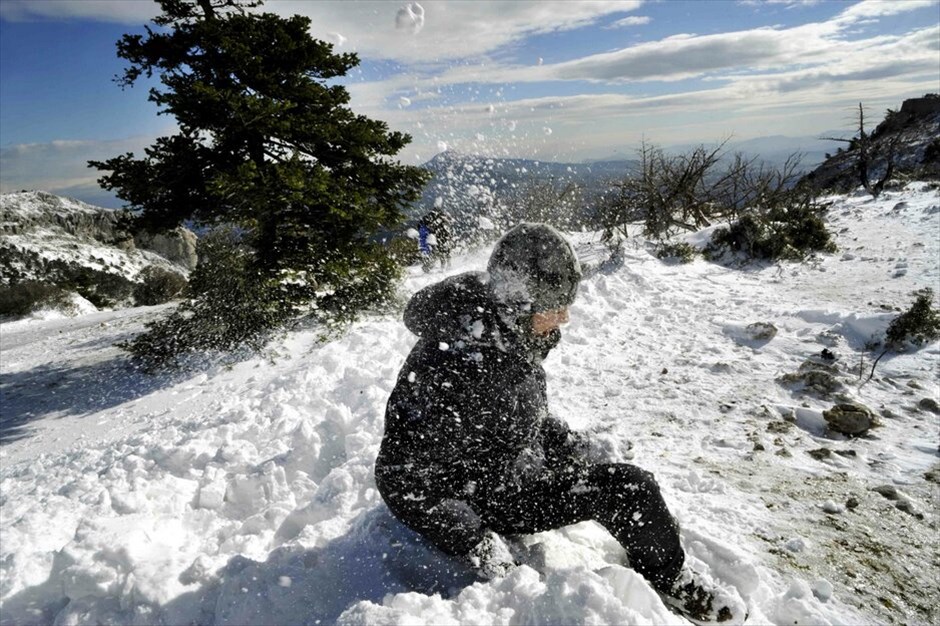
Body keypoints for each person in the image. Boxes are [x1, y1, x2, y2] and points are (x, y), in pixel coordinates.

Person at [375, 223, 745, 623]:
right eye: (554, 307)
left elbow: (508, 417)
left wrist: (566, 442)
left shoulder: (495, 327)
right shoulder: (460, 370)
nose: (565, 318)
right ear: (519, 303)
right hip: (494, 494)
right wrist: (476, 541)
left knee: (613, 476)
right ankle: (673, 582)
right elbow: (399, 478)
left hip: (506, 461)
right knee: (630, 489)